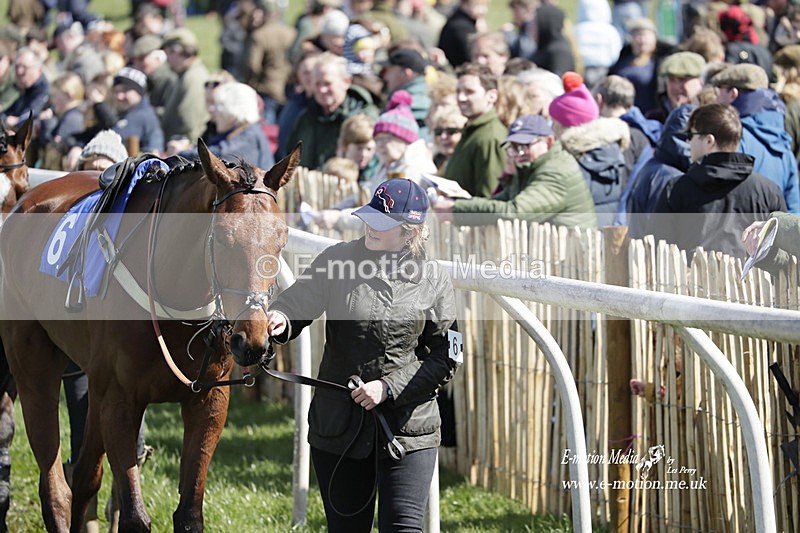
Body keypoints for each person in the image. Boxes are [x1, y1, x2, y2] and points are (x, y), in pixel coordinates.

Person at [265, 177, 459, 533]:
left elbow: (447, 356)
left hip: (408, 430)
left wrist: (388, 388)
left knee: (403, 527)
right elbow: (301, 298)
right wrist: (281, 316)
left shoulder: (434, 280)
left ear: (409, 232)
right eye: (370, 216)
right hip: (339, 424)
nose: (369, 226)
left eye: (382, 224)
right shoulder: (337, 259)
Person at [650, 103, 787, 258]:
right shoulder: (768, 191)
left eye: (691, 136)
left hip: (690, 280)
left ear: (709, 141)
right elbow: (782, 253)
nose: (688, 142)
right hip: (753, 280)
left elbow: (659, 249)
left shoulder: (676, 189)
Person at [433, 114, 597, 228]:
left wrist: (456, 209)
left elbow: (515, 212)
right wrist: (462, 202)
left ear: (548, 142)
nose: (518, 153)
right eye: (514, 147)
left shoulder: (556, 172)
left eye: (525, 145)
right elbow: (500, 202)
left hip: (570, 259)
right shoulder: (530, 166)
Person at [710, 63, 800, 214]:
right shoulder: (783, 143)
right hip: (772, 234)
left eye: (719, 91)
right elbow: (794, 209)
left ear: (733, 93)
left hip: (739, 233)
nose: (716, 98)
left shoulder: (734, 137)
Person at [549, 72, 631, 227]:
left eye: (555, 122)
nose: (551, 128)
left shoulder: (574, 159)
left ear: (566, 125)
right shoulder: (609, 149)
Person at [286, 52, 379, 169]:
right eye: (317, 84)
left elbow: (373, 163)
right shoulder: (305, 118)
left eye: (327, 83)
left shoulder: (364, 119)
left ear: (346, 81)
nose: (322, 90)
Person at [443, 62, 506, 197]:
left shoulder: (490, 137)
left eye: (469, 92)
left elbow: (490, 197)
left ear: (492, 96)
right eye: (458, 91)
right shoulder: (473, 131)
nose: (461, 98)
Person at [160, 27, 210, 144]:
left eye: (168, 53)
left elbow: (190, 123)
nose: (167, 60)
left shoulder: (192, 78)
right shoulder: (186, 74)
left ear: (177, 51)